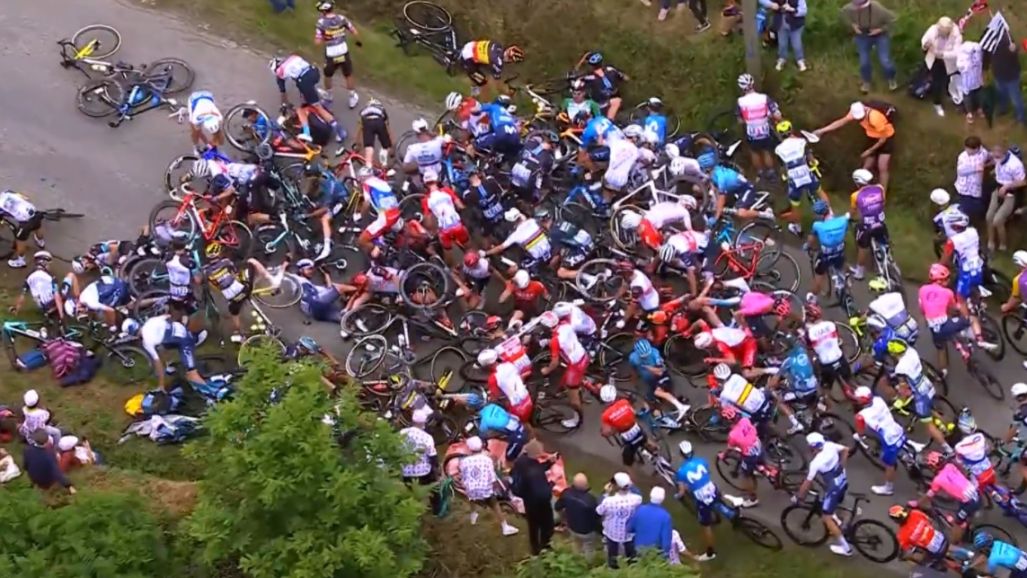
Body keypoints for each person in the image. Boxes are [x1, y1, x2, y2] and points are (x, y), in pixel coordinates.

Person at [813, 101, 895, 191]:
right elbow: (841, 122)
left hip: (886, 138)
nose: (860, 120)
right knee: (866, 166)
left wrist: (869, 151)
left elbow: (883, 139)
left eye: (861, 118)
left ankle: (882, 193)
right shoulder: (854, 112)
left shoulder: (875, 117)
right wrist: (822, 131)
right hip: (872, 137)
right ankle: (863, 191)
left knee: (882, 166)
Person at [795, 432, 853, 556]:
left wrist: (799, 496)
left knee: (826, 517)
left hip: (834, 488)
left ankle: (846, 548)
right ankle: (841, 519)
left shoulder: (815, 463)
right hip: (842, 480)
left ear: (812, 447)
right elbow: (846, 450)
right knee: (835, 499)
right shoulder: (830, 445)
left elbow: (807, 483)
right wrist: (841, 465)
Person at [269, 54, 346, 143]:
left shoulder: (279, 72)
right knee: (305, 94)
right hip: (314, 72)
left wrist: (284, 104)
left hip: (304, 81)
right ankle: (319, 96)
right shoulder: (292, 58)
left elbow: (283, 93)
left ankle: (337, 131)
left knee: (305, 109)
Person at [909, 451, 980, 544]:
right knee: (964, 513)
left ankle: (955, 542)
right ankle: (968, 525)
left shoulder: (937, 480)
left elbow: (928, 496)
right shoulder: (950, 466)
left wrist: (918, 503)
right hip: (975, 493)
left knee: (957, 524)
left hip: (969, 502)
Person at [456, 436, 520, 537]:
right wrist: (494, 489)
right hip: (485, 490)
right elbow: (492, 478)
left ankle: (473, 514)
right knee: (494, 504)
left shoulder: (464, 461)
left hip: (470, 490)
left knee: (471, 494)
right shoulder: (487, 460)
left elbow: (464, 476)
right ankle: (505, 526)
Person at [774, 120, 828, 236]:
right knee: (820, 192)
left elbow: (783, 166)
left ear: (779, 134)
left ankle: (798, 228)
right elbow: (810, 157)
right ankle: (830, 216)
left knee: (795, 205)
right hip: (806, 173)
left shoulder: (778, 149)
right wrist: (814, 162)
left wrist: (784, 176)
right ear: (791, 130)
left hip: (794, 178)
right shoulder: (801, 141)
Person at [129, 315, 207, 392]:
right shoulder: (150, 321)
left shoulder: (147, 342)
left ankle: (210, 393)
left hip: (184, 339)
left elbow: (158, 364)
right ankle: (169, 364)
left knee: (191, 373)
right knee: (162, 347)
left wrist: (161, 384)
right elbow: (168, 316)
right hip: (178, 327)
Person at [853, 386, 906, 496]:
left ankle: (888, 488)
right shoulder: (878, 399)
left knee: (889, 464)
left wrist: (860, 436)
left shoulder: (861, 415)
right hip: (897, 430)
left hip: (890, 440)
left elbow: (861, 432)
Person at [673, 441, 719, 561]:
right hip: (712, 488)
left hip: (702, 497)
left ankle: (710, 552)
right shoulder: (702, 461)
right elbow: (707, 473)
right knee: (717, 500)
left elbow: (682, 491)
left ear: (681, 454)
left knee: (706, 525)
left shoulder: (681, 471)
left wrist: (678, 496)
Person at [510, 440, 556, 554]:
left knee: (533, 525)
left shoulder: (521, 461)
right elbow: (543, 492)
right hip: (540, 502)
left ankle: (534, 548)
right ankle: (545, 545)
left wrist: (549, 463)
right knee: (547, 525)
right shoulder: (535, 471)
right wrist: (551, 485)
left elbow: (537, 469)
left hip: (528, 499)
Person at [841, 0, 898, 93]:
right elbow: (843, 15)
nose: (856, 8)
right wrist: (853, 26)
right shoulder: (849, 8)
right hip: (862, 35)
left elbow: (893, 19)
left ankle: (891, 78)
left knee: (884, 60)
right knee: (864, 61)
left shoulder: (877, 8)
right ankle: (866, 81)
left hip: (880, 35)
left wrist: (880, 30)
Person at [629, 337, 690, 421]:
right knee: (650, 398)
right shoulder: (632, 358)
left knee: (660, 392)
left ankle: (680, 406)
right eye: (643, 357)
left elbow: (660, 371)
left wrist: (648, 368)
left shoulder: (655, 353)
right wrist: (633, 380)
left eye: (647, 355)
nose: (646, 357)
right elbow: (634, 370)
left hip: (661, 376)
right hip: (648, 380)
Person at [314, 1, 361, 110]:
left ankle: (329, 95)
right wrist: (358, 42)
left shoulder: (321, 23)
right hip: (343, 51)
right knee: (348, 74)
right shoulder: (342, 18)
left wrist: (325, 37)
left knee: (328, 75)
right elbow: (354, 31)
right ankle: (352, 97)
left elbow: (317, 41)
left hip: (331, 53)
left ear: (323, 11)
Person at [736, 73, 782, 181]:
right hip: (764, 128)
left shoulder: (740, 102)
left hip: (751, 131)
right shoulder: (764, 98)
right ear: (753, 84)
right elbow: (776, 114)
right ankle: (771, 173)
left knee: (754, 152)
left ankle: (760, 173)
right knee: (766, 150)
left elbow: (740, 120)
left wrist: (748, 120)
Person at [596, 472, 642, 569]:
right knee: (631, 554)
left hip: (612, 533)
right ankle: (632, 567)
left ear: (615, 486)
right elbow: (636, 492)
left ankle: (613, 568)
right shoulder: (637, 499)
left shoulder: (608, 501)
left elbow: (599, 511)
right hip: (629, 533)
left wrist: (605, 493)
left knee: (612, 554)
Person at [848, 168, 887, 281]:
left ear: (858, 182)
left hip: (867, 226)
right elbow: (883, 203)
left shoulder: (855, 195)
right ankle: (888, 260)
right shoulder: (880, 188)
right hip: (880, 222)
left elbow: (853, 212)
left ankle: (859, 272)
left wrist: (848, 217)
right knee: (883, 241)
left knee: (862, 246)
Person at [986, 143, 1026, 252]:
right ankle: (991, 242)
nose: (995, 158)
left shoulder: (1015, 165)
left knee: (998, 220)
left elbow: (1023, 182)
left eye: (997, 156)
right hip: (998, 188)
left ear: (1004, 154)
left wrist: (1007, 186)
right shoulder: (996, 157)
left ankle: (1003, 245)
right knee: (989, 216)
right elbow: (992, 160)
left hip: (1010, 193)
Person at [920, 17, 962, 117]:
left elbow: (957, 52)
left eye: (943, 33)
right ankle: (937, 103)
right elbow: (924, 39)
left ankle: (948, 93)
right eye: (940, 31)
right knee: (936, 83)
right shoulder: (933, 29)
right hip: (934, 59)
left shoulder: (956, 35)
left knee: (948, 79)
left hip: (948, 61)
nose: (941, 34)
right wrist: (925, 45)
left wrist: (942, 54)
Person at [806, 200, 849, 297]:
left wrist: (808, 246)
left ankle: (812, 298)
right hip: (840, 252)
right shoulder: (842, 220)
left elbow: (811, 240)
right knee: (842, 264)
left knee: (819, 274)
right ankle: (845, 283)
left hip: (825, 256)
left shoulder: (817, 225)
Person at [555, 473, 602, 560]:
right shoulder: (590, 500)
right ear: (586, 485)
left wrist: (564, 518)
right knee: (589, 548)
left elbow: (557, 507)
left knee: (576, 544)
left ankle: (576, 560)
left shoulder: (566, 493)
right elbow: (597, 517)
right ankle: (588, 563)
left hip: (572, 527)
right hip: (587, 531)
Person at [457, 40, 524, 99]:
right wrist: (508, 93)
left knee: (482, 75)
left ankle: (474, 89)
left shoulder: (498, 45)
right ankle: (481, 102)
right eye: (512, 61)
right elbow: (497, 84)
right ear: (510, 59)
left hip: (471, 46)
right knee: (483, 82)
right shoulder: (498, 62)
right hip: (468, 58)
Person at [10, 251, 65, 322]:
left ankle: (47, 312)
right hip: (51, 303)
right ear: (44, 263)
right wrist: (62, 316)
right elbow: (57, 297)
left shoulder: (29, 277)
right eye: (48, 264)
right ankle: (53, 311)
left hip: (40, 305)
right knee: (64, 291)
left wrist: (17, 308)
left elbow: (23, 295)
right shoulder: (51, 277)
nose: (49, 266)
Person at [575, 51, 629, 120]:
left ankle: (608, 121)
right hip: (615, 100)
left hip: (600, 104)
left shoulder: (588, 77)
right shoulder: (611, 69)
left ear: (590, 66)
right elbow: (626, 78)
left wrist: (580, 65)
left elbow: (576, 84)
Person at [985, 33, 1025, 125]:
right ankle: (1003, 109)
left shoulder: (1008, 41)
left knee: (1016, 99)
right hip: (999, 74)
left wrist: (1015, 49)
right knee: (1002, 94)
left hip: (1011, 76)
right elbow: (987, 56)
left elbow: (1015, 51)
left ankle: (1021, 118)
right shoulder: (991, 42)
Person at [0, 189, 44, 269]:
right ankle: (40, 242)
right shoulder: (7, 192)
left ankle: (21, 261)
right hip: (33, 211)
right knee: (37, 226)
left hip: (25, 222)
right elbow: (26, 198)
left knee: (20, 240)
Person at [22, 430, 76, 494]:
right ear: (47, 441)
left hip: (33, 478)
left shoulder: (27, 449)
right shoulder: (49, 456)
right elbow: (57, 473)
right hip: (46, 482)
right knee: (68, 455)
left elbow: (25, 465)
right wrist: (69, 485)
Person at [761, 0, 808, 71]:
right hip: (780, 25)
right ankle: (782, 58)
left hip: (795, 25)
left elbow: (804, 10)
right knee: (782, 44)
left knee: (797, 44)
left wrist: (792, 10)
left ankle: (800, 60)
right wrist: (771, 4)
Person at [630, 486, 673, 559]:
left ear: (650, 496)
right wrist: (665, 555)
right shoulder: (665, 516)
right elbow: (666, 540)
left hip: (639, 549)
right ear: (663, 499)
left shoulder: (640, 510)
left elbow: (629, 528)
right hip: (655, 552)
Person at [953, 136, 989, 220]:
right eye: (966, 148)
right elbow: (961, 171)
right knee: (965, 211)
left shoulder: (983, 153)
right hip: (964, 189)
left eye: (970, 150)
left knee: (977, 208)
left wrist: (988, 164)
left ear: (977, 149)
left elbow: (988, 156)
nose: (968, 151)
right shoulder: (963, 157)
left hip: (976, 189)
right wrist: (976, 168)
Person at [400, 408, 437, 485]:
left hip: (405, 472)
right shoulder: (427, 437)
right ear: (424, 423)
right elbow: (433, 457)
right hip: (423, 473)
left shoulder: (402, 433)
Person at [354, 98, 393, 165]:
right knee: (385, 146)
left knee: (369, 147)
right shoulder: (382, 110)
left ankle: (368, 165)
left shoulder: (363, 111)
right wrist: (391, 144)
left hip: (367, 122)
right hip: (379, 121)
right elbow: (387, 128)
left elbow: (359, 129)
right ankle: (385, 162)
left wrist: (357, 144)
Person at [956, 40, 985, 124]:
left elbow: (979, 63)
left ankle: (977, 110)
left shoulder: (976, 56)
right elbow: (961, 68)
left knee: (977, 96)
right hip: (969, 83)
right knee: (969, 98)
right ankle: (971, 113)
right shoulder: (962, 60)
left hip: (976, 81)